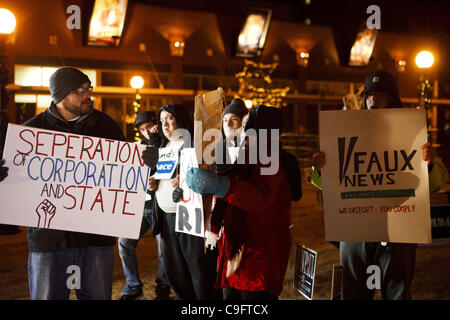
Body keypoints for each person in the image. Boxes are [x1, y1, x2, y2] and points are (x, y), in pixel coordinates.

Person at [311, 70, 448, 300]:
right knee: (353, 292)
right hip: (356, 230)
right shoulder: (345, 132)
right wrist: (320, 169)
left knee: (397, 292)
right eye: (369, 94)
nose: (373, 99)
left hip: (398, 231)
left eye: (380, 94)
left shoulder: (412, 132)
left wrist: (430, 163)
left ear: (392, 97)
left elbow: (435, 183)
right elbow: (331, 185)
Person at [23, 67, 125, 300]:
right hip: (49, 241)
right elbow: (18, 185)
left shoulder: (107, 127)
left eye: (89, 89)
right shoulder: (32, 132)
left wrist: (144, 165)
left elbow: (124, 176)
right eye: (80, 90)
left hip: (96, 239)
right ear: (60, 96)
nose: (88, 94)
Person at [186, 105, 302, 300]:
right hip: (241, 252)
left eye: (247, 125)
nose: (241, 129)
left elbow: (260, 198)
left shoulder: (269, 157)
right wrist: (215, 181)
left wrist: (222, 185)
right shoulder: (249, 153)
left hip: (259, 254)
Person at [149, 104, 222, 300]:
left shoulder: (194, 146)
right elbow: (153, 174)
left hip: (189, 216)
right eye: (161, 120)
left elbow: (205, 175)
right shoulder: (163, 146)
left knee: (198, 268)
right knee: (175, 269)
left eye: (169, 119)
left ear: (180, 120)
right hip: (165, 217)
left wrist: (185, 182)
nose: (164, 124)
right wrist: (151, 183)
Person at [118, 111, 172, 300]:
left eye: (149, 127)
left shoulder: (167, 142)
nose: (146, 131)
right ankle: (133, 285)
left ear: (155, 124)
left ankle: (163, 285)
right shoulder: (138, 147)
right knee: (124, 243)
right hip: (141, 205)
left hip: (160, 205)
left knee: (163, 248)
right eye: (142, 129)